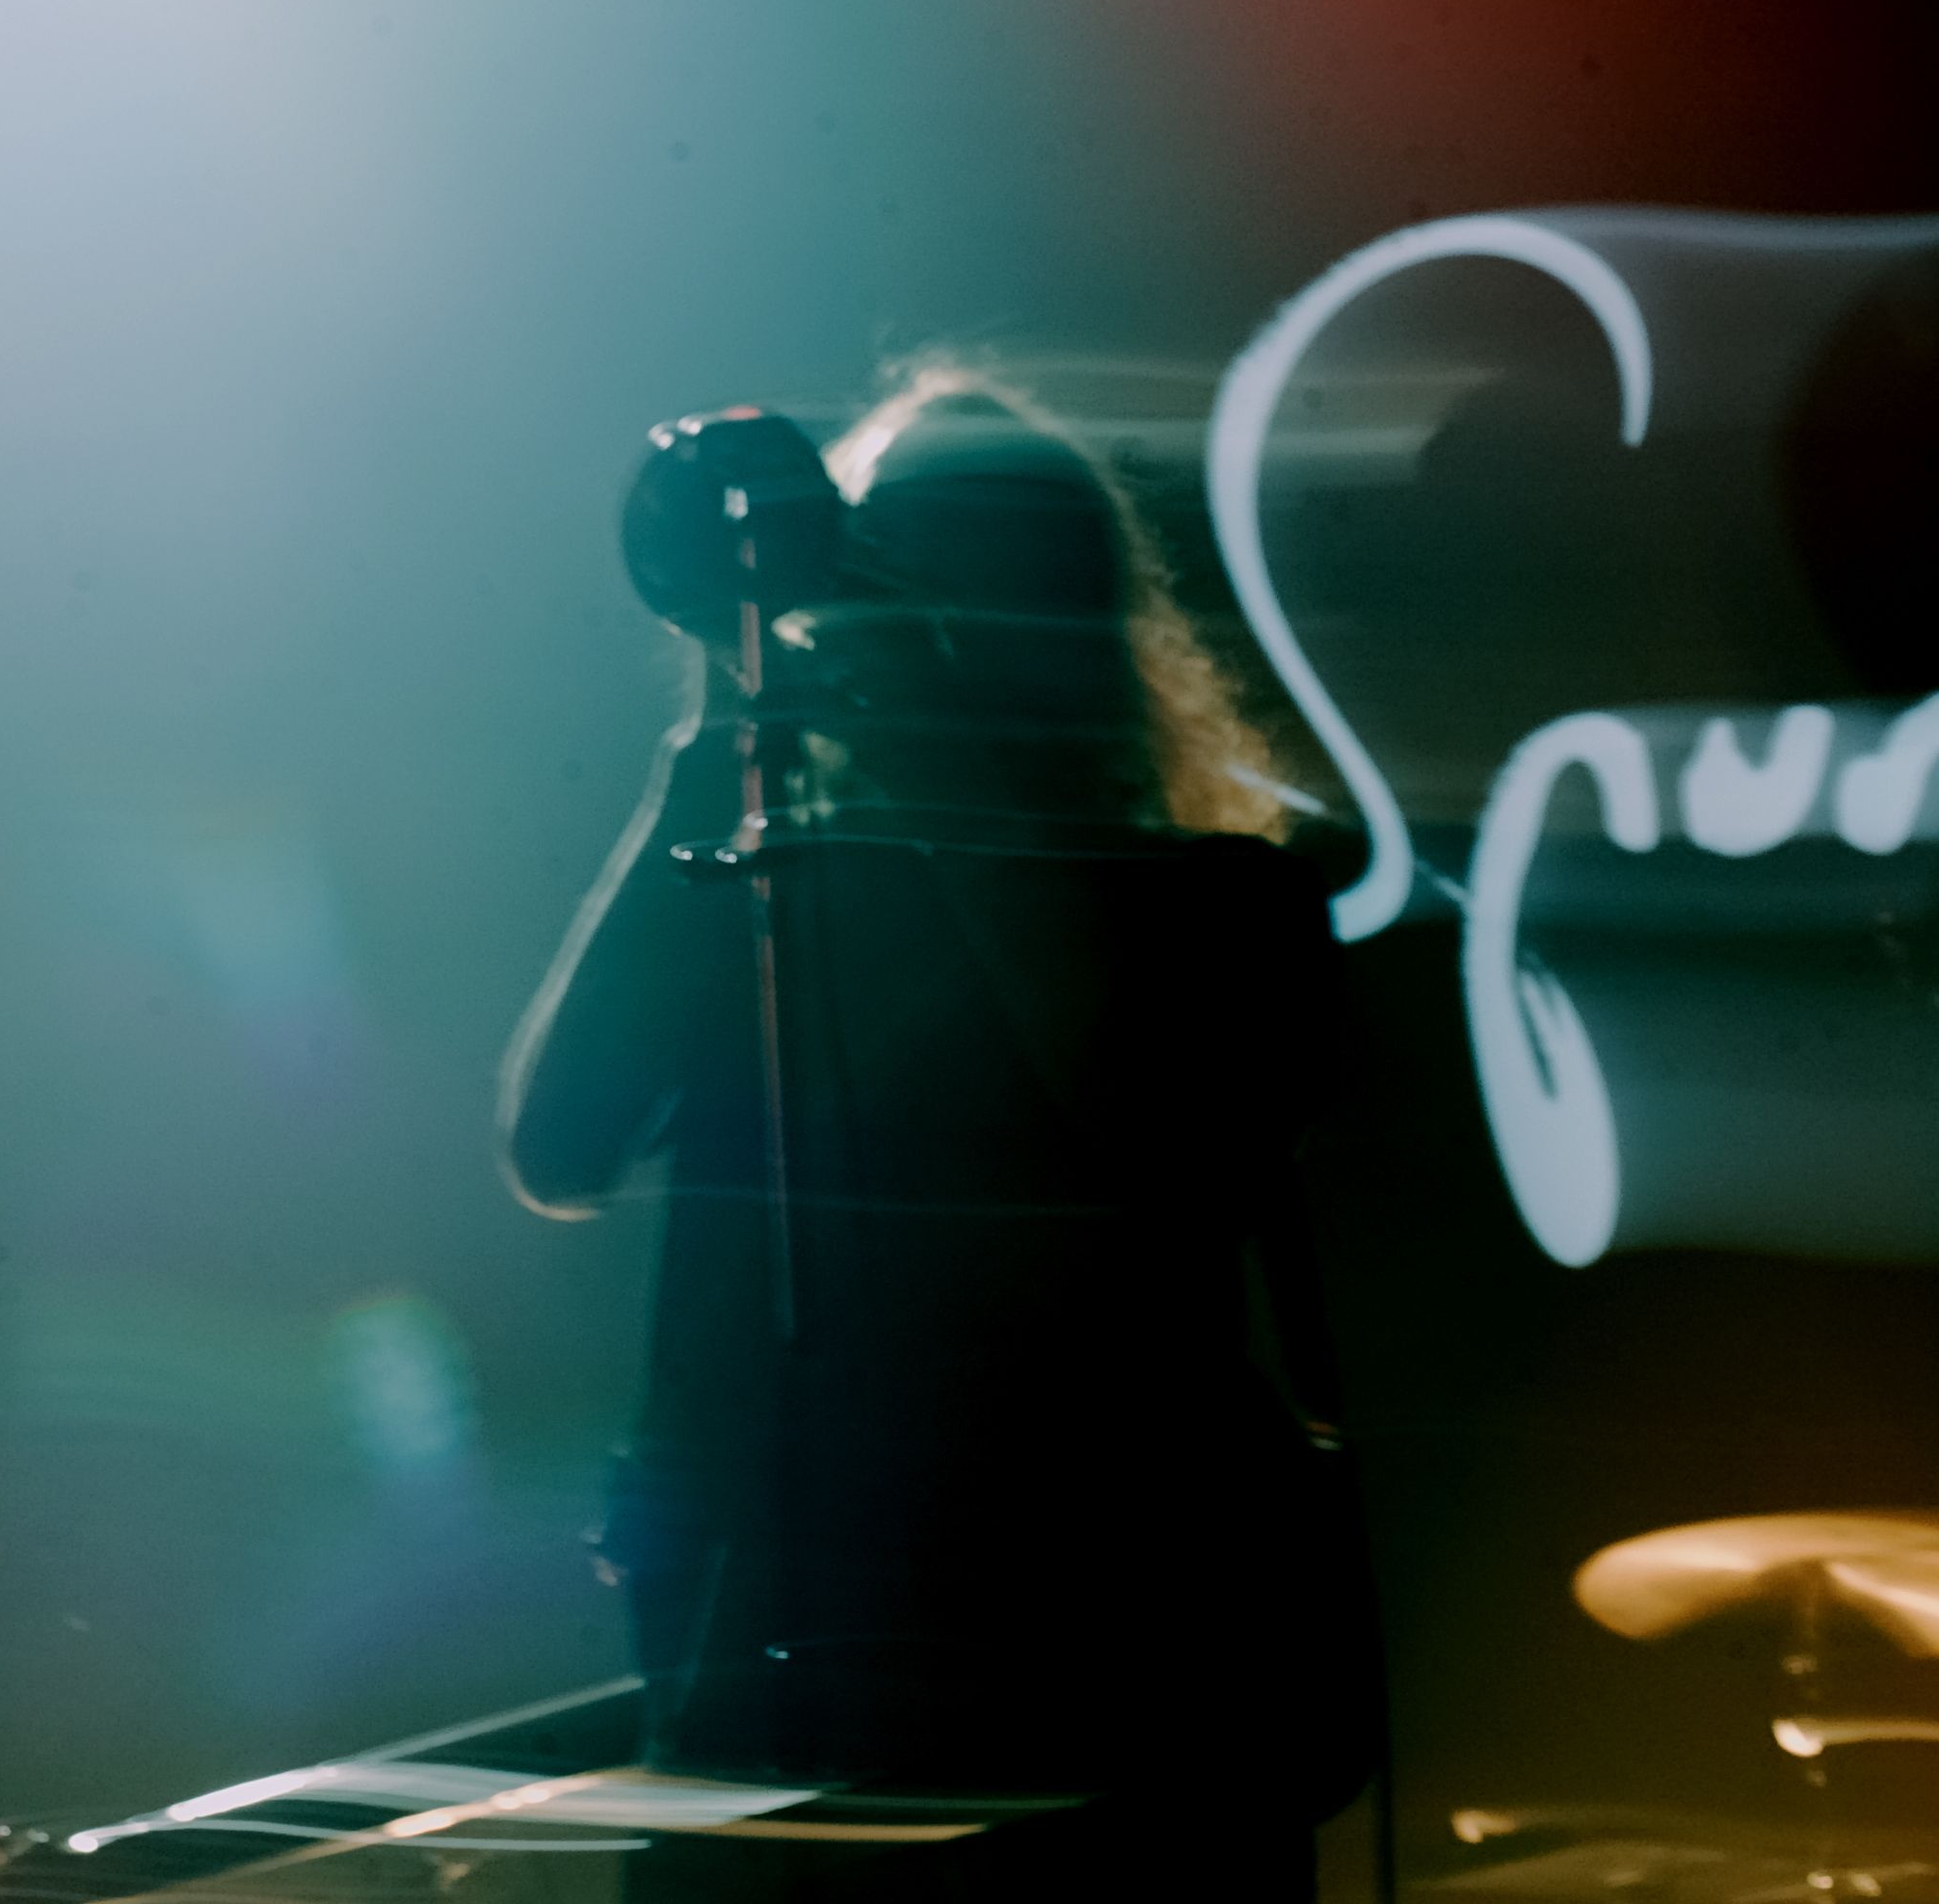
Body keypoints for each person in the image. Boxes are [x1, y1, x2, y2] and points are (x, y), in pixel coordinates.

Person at [499, 374, 1375, 1888]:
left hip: (1121, 1694)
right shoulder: (771, 905)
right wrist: (717, 739)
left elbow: (1129, 1109)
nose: (862, 588)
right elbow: (559, 1150)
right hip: (770, 1696)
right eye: (852, 546)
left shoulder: (1236, 907)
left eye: (917, 549)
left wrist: (931, 743)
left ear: (1044, 602)